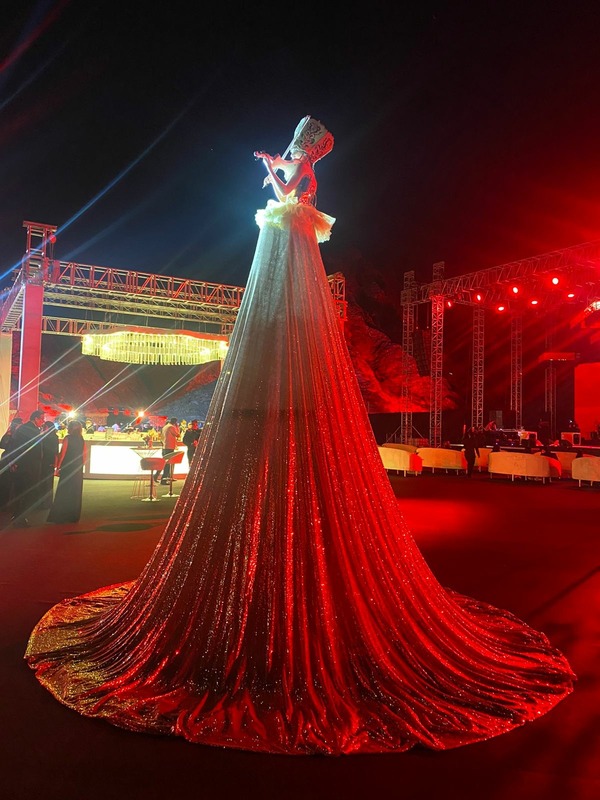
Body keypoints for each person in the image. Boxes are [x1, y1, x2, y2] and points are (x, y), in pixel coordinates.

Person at [26, 118, 574, 755]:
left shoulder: (300, 175)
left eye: (297, 145)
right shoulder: (299, 183)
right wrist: (271, 172)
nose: (291, 152)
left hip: (288, 245)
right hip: (284, 251)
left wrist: (270, 170)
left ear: (307, 149)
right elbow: (286, 193)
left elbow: (288, 190)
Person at [46, 420, 87, 524]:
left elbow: (63, 453)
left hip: (68, 467)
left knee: (64, 490)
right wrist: (81, 466)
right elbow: (84, 455)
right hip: (77, 467)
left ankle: (60, 515)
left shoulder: (68, 438)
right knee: (75, 492)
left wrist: (58, 467)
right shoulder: (81, 439)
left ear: (71, 428)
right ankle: (73, 515)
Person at [11, 410, 45, 526]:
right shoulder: (31, 430)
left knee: (22, 491)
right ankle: (19, 517)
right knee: (27, 491)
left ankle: (18, 516)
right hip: (28, 465)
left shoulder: (24, 428)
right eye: (41, 418)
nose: (43, 421)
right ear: (35, 418)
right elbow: (24, 448)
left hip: (25, 464)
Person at [0, 416, 22, 510]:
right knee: (5, 483)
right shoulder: (10, 434)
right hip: (7, 460)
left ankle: (9, 503)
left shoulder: (18, 435)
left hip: (13, 460)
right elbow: (2, 445)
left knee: (12, 483)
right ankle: (4, 503)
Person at [40, 420, 60, 510]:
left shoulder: (49, 437)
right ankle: (46, 503)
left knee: (46, 483)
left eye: (45, 427)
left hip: (47, 461)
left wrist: (55, 464)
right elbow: (56, 452)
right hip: (47, 461)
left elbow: (55, 452)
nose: (43, 428)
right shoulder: (53, 437)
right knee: (46, 483)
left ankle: (45, 503)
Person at [156, 417, 180, 484]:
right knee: (168, 464)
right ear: (175, 422)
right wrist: (177, 427)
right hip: (169, 447)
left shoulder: (165, 427)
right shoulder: (171, 427)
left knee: (164, 463)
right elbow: (178, 435)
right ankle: (163, 480)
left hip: (165, 446)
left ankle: (156, 476)